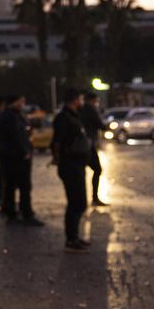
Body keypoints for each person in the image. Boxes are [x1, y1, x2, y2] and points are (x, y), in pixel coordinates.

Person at [0, 94, 44, 226]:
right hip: (16, 158)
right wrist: (24, 151)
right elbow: (16, 136)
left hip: (11, 157)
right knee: (23, 186)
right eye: (21, 101)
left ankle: (12, 212)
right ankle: (25, 213)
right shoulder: (11, 117)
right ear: (14, 102)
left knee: (11, 186)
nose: (23, 104)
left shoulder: (10, 116)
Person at [51, 89, 91, 253]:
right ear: (75, 100)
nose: (82, 102)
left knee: (79, 201)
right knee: (76, 201)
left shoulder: (74, 116)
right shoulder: (64, 118)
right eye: (81, 98)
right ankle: (71, 239)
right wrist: (58, 158)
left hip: (77, 164)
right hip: (70, 165)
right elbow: (57, 141)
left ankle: (74, 236)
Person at [80, 91, 108, 206]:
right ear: (92, 100)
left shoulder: (80, 109)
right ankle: (94, 198)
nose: (97, 103)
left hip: (82, 145)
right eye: (96, 101)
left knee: (82, 172)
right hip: (88, 145)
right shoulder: (91, 109)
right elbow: (100, 125)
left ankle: (84, 198)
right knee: (97, 169)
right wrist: (107, 126)